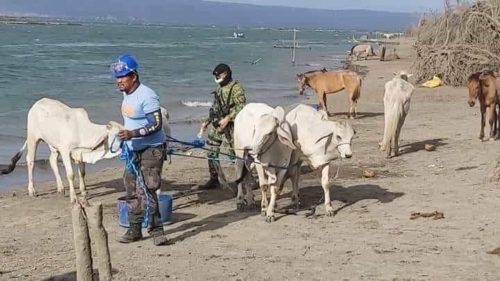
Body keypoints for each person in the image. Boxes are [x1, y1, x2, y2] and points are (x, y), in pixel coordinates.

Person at [110, 54, 169, 246]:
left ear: (133, 76)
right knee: (131, 188)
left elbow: (157, 124)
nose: (119, 81)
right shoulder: (126, 93)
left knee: (148, 188)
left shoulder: (148, 95)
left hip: (152, 148)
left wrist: (132, 133)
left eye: (123, 77)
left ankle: (156, 229)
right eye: (117, 77)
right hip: (132, 149)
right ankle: (135, 229)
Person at [198, 63, 246, 189]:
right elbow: (215, 107)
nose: (218, 77)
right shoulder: (219, 88)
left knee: (235, 155)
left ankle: (246, 180)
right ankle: (214, 178)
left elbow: (241, 107)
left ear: (226, 74)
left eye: (220, 74)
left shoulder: (236, 88)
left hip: (231, 127)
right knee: (211, 150)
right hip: (218, 125)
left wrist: (228, 118)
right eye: (217, 75)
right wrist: (207, 122)